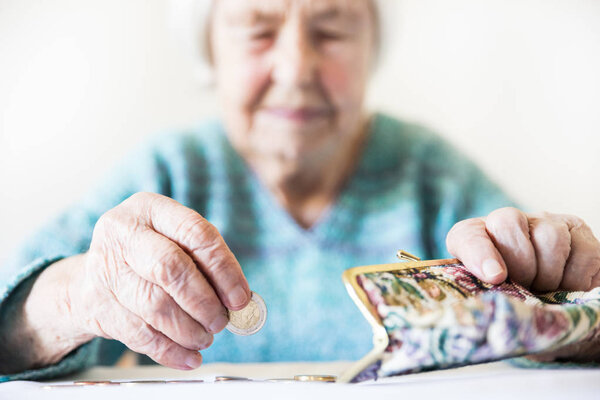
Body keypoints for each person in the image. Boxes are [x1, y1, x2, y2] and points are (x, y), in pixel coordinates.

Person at [1, 0, 599, 381]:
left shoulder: (429, 175)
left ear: (372, 50)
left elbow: (556, 309)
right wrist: (75, 297)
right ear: (212, 51)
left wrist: (570, 307)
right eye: (258, 30)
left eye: (332, 29)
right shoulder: (168, 171)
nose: (295, 68)